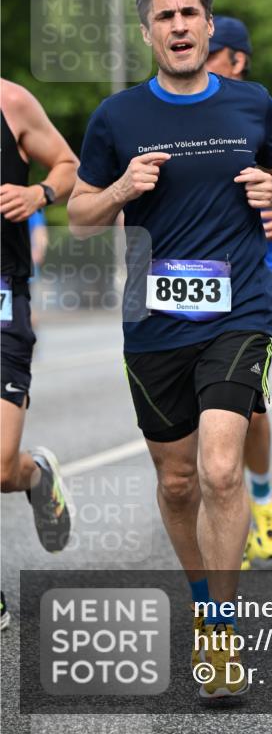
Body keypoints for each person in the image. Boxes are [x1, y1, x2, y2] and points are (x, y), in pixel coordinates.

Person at [67, 0, 272, 700]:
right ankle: (202, 605)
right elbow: (76, 213)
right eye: (164, 17)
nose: (178, 26)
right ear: (148, 32)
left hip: (239, 310)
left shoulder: (251, 104)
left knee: (220, 468)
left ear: (207, 23)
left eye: (189, 14)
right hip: (155, 321)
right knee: (175, 482)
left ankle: (223, 632)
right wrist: (119, 190)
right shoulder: (117, 117)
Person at [206, 14, 272, 570]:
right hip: (184, 279)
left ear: (237, 59)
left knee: (247, 407)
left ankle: (261, 503)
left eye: (212, 48)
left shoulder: (269, 109)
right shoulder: (171, 106)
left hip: (250, 274)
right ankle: (228, 516)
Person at [1, 79, 78, 627]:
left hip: (4, 297)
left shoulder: (12, 102)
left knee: (0, 465)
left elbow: (67, 165)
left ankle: (34, 476)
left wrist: (38, 196)